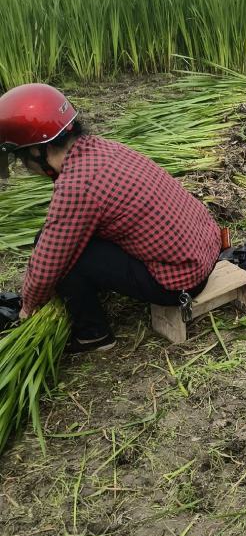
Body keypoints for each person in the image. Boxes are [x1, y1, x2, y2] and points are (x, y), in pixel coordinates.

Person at [0, 83, 221, 353]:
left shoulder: (77, 184)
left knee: (65, 259)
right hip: (205, 249)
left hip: (181, 280)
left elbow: (48, 263)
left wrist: (28, 306)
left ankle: (93, 335)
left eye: (21, 158)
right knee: (51, 240)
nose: (24, 166)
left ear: (37, 150)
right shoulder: (100, 149)